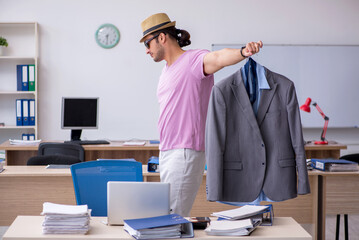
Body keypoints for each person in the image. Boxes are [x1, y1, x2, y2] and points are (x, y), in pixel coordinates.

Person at [139, 12, 263, 217]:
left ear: (162, 38)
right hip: (168, 151)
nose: (146, 50)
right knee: (166, 215)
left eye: (147, 43)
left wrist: (243, 51)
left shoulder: (193, 60)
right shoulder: (166, 71)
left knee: (171, 218)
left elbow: (218, 57)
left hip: (184, 152)